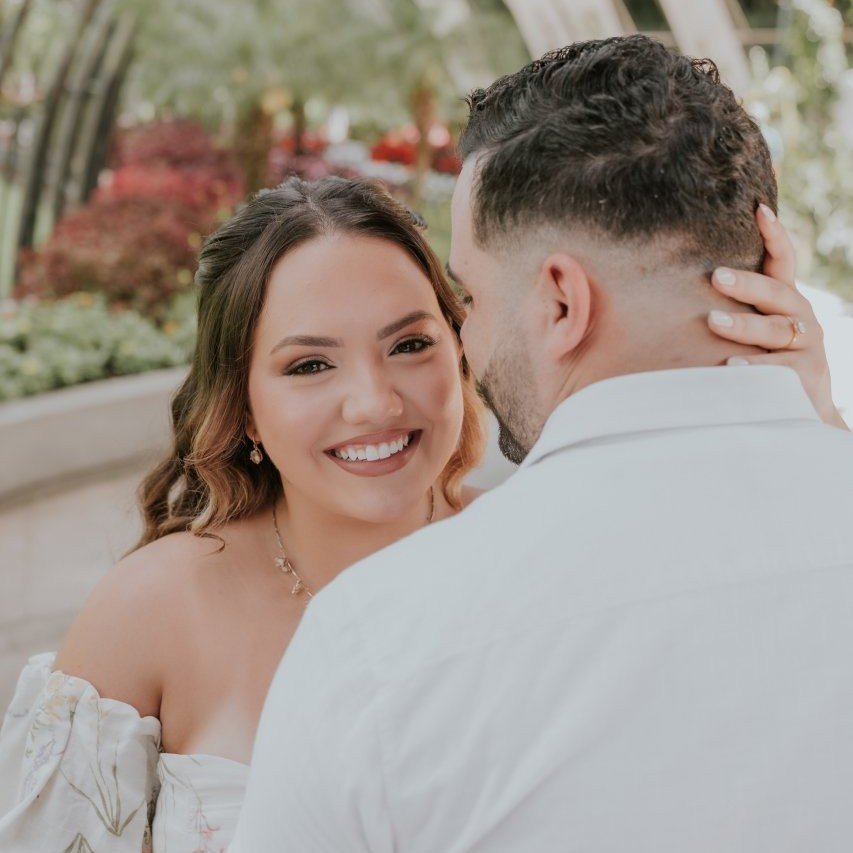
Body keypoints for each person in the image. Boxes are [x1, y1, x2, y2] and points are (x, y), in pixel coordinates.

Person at [0, 49, 843, 853]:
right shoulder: (154, 609)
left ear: (461, 341)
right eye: (309, 364)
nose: (373, 401)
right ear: (243, 405)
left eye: (411, 343)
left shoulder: (559, 561)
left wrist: (809, 420)